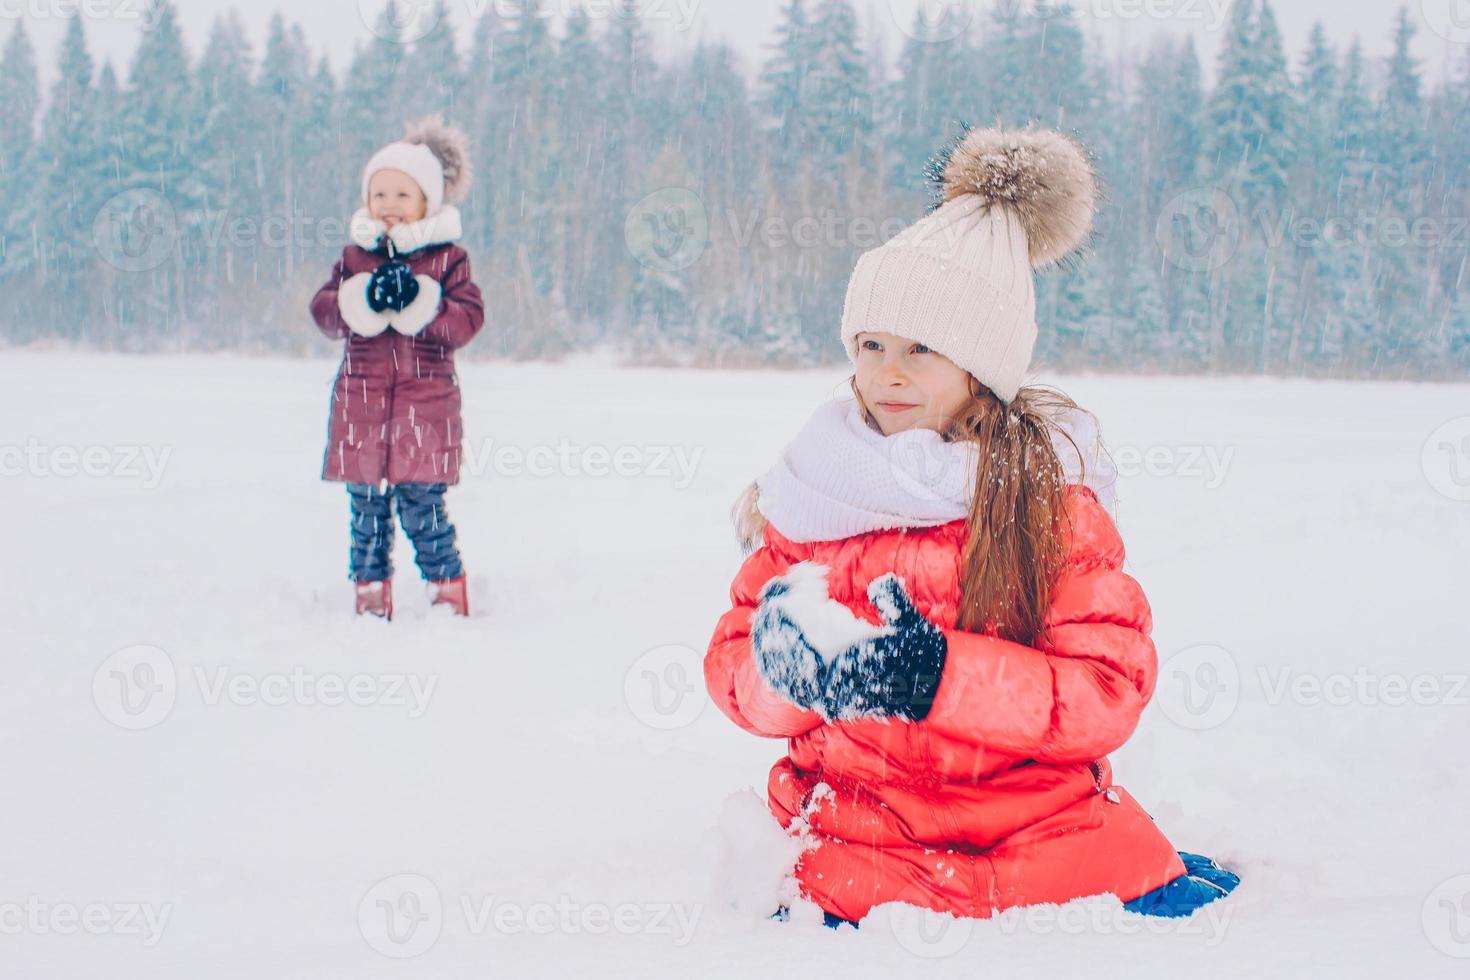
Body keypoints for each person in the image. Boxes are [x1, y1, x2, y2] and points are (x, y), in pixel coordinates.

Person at [705, 125, 1240, 927]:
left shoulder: (1047, 507)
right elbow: (734, 672)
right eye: (871, 343)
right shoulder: (816, 495)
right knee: (821, 882)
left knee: (1105, 867)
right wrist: (784, 677)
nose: (888, 371)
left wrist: (940, 678)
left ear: (982, 370)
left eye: (922, 348)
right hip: (863, 834)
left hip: (1034, 831)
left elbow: (1107, 692)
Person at [310, 116, 485, 620]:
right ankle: (369, 597)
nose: (388, 205)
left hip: (424, 414)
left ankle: (447, 593)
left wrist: (423, 304)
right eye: (379, 193)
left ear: (427, 202)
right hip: (361, 410)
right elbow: (324, 312)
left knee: (422, 509)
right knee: (365, 513)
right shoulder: (354, 259)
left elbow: (468, 320)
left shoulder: (448, 259)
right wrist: (359, 296)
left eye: (401, 195)